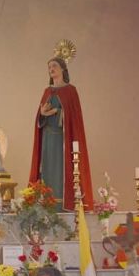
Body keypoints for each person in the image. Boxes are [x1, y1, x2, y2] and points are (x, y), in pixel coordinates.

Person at [29, 57, 94, 211]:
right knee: (46, 170)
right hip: (47, 138)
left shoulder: (70, 91)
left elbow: (73, 117)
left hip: (62, 139)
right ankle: (46, 204)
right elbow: (40, 117)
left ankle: (62, 205)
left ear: (63, 69)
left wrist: (57, 112)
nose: (51, 69)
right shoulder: (47, 91)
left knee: (60, 171)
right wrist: (43, 114)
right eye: (49, 66)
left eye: (54, 66)